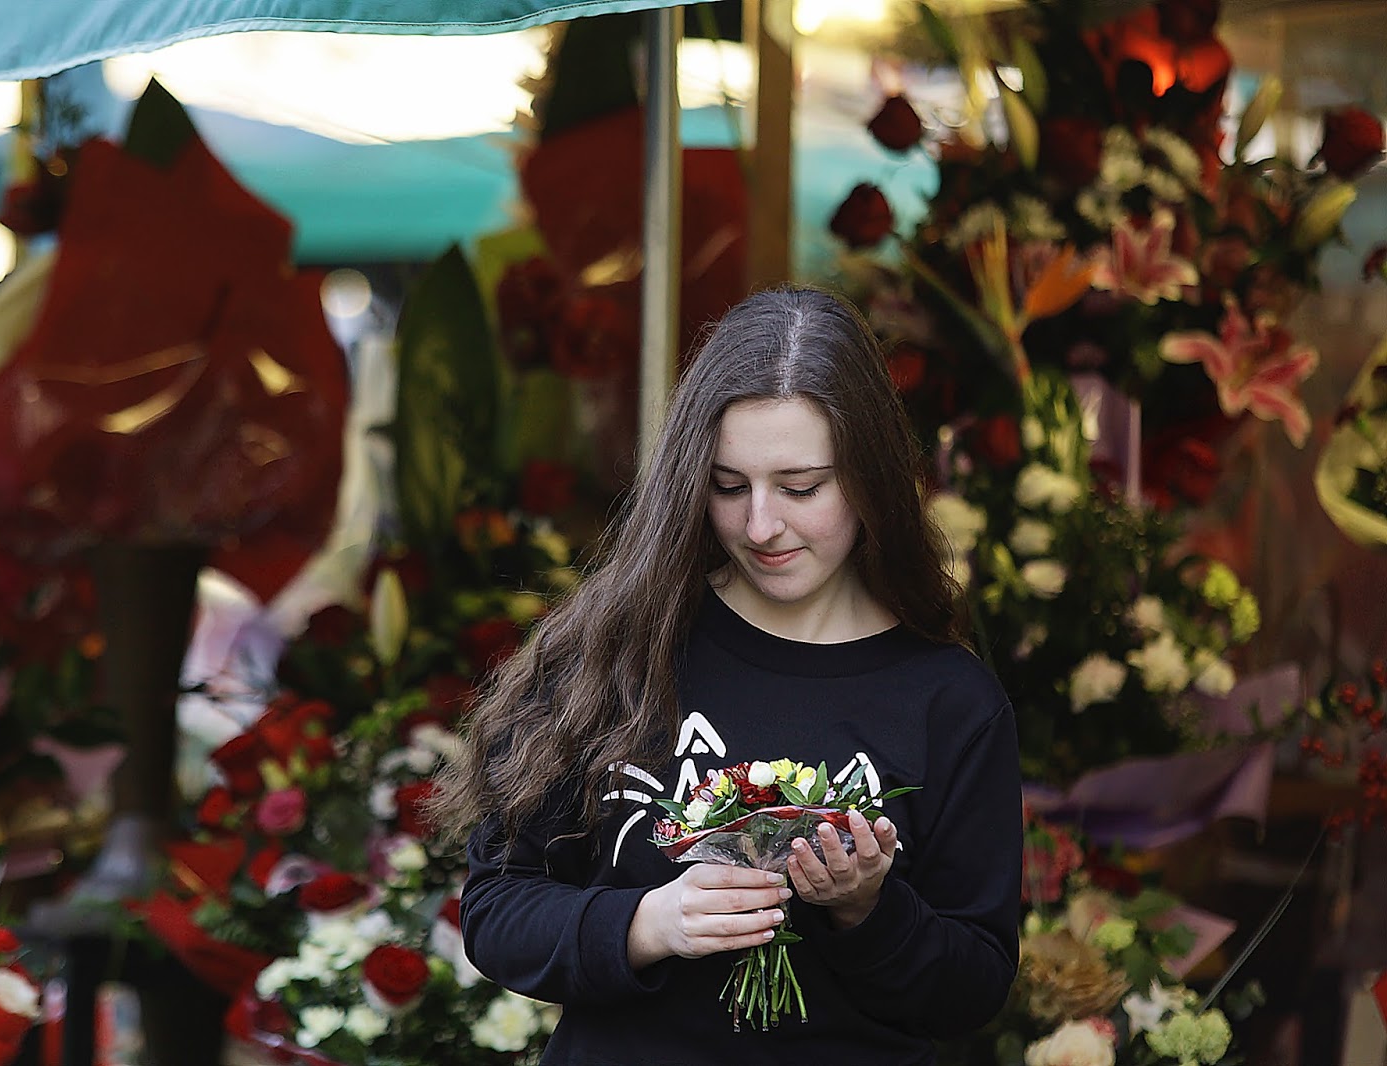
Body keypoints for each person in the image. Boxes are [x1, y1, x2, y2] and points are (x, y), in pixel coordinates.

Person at [433, 286, 1023, 1064]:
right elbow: (499, 911)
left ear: (873, 477)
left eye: (802, 488)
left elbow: (974, 991)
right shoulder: (616, 648)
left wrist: (868, 909)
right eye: (728, 485)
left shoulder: (951, 701)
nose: (761, 526)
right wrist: (649, 924)